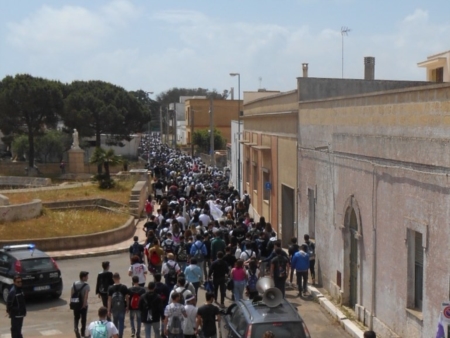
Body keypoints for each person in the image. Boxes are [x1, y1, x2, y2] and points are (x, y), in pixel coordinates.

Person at [108, 273, 129, 338]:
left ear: (113, 279)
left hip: (114, 307)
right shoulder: (124, 287)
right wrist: (127, 306)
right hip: (122, 307)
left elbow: (109, 300)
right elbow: (127, 298)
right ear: (119, 278)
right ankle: (120, 336)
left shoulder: (110, 288)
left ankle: (115, 335)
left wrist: (108, 310)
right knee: (121, 322)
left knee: (115, 321)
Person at [71, 271, 90, 338]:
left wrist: (72, 303)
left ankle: (76, 328)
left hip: (76, 304)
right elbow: (86, 296)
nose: (87, 278)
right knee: (83, 319)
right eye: (86, 276)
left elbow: (72, 294)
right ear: (83, 277)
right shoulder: (86, 286)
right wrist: (84, 305)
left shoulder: (74, 284)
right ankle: (82, 333)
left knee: (76, 318)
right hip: (83, 305)